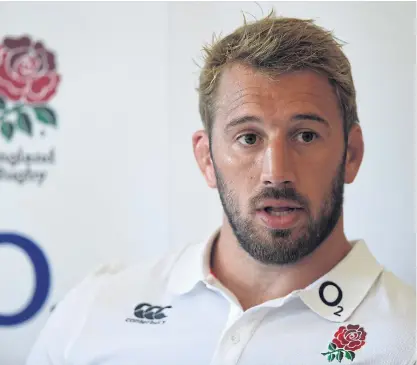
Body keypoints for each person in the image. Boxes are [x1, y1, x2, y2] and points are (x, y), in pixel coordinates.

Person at [26, 12, 415, 365]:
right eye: (248, 138)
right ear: (207, 159)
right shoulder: (94, 308)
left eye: (306, 135)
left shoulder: (406, 338)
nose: (276, 173)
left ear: (352, 154)